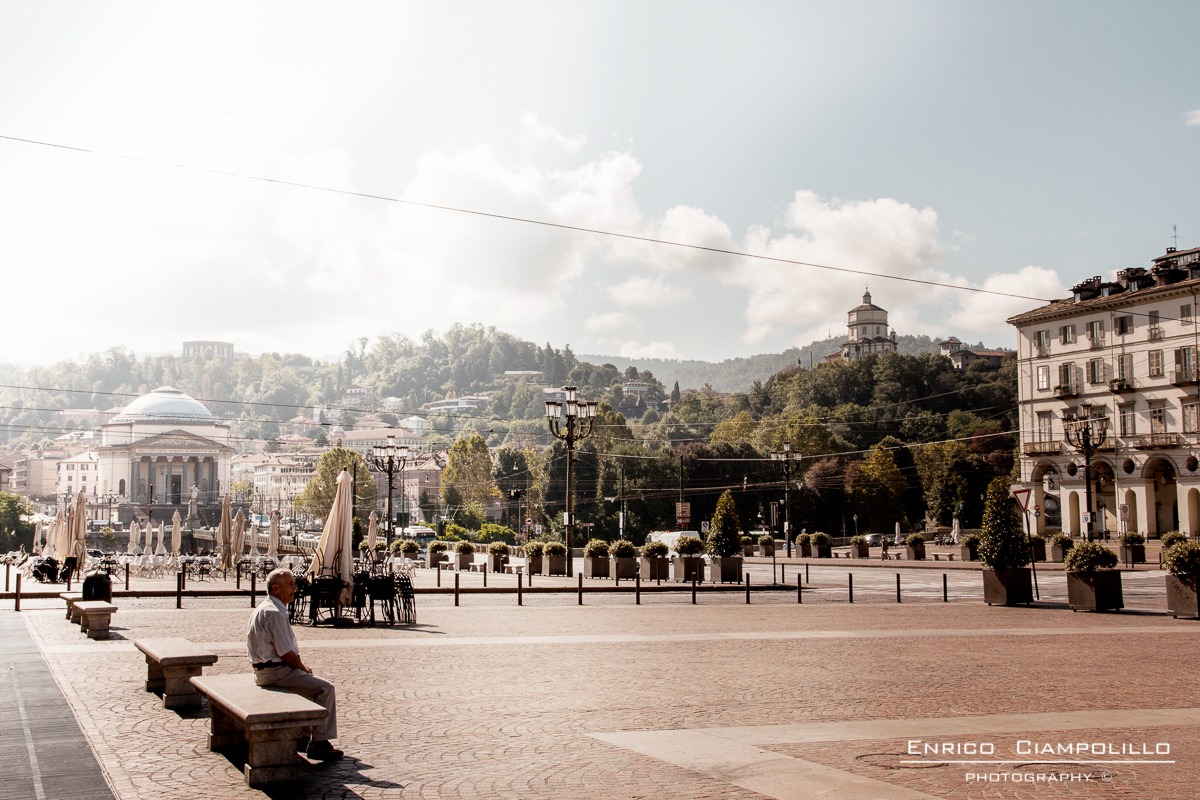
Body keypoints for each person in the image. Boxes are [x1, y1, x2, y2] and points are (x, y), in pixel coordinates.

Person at [247, 568, 344, 762]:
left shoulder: (266, 608)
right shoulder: (274, 613)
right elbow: (286, 653)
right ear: (275, 588)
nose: (295, 588)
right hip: (276, 672)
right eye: (291, 584)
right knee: (325, 689)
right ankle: (319, 742)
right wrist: (303, 668)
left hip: (266, 671)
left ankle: (302, 736)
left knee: (310, 684)